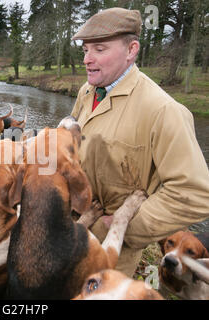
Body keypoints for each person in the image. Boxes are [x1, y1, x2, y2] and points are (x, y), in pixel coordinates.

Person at [70, 7, 209, 277]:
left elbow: (195, 194)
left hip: (111, 256)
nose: (87, 59)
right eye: (85, 50)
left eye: (99, 49)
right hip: (70, 232)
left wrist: (123, 227)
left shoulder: (163, 110)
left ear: (132, 50)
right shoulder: (86, 92)